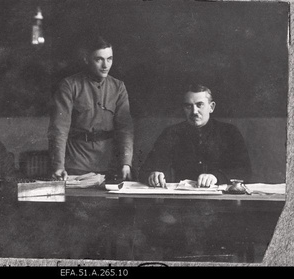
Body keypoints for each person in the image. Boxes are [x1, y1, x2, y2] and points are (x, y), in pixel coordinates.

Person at [48, 35, 134, 181]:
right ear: (86, 60)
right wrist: (58, 166)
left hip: (110, 165)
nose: (105, 65)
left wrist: (126, 163)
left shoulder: (118, 87)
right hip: (77, 164)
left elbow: (125, 129)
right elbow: (59, 129)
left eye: (109, 59)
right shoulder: (69, 86)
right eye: (99, 59)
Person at [138, 84, 252, 188]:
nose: (194, 111)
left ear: (211, 107)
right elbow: (146, 169)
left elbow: (245, 171)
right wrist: (153, 174)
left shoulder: (229, 132)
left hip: (221, 202)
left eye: (200, 105)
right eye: (188, 106)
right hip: (183, 203)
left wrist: (216, 177)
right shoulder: (172, 133)